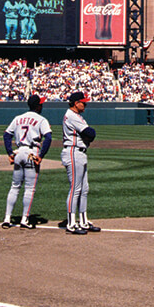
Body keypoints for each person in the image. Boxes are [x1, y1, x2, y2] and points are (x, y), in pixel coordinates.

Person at [2, 93, 52, 229]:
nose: (42, 105)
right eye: (41, 104)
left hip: (19, 152)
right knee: (29, 188)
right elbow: (48, 137)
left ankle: (7, 218)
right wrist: (41, 155)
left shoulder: (18, 118)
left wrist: (10, 153)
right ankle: (25, 219)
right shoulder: (41, 120)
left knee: (15, 186)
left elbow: (6, 135)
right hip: (32, 152)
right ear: (38, 106)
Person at [61, 91, 99, 234]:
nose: (86, 104)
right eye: (83, 102)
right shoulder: (71, 116)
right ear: (76, 103)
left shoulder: (77, 116)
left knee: (84, 189)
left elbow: (89, 134)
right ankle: (71, 224)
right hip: (73, 152)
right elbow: (90, 133)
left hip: (80, 152)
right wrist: (89, 135)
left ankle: (83, 221)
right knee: (75, 189)